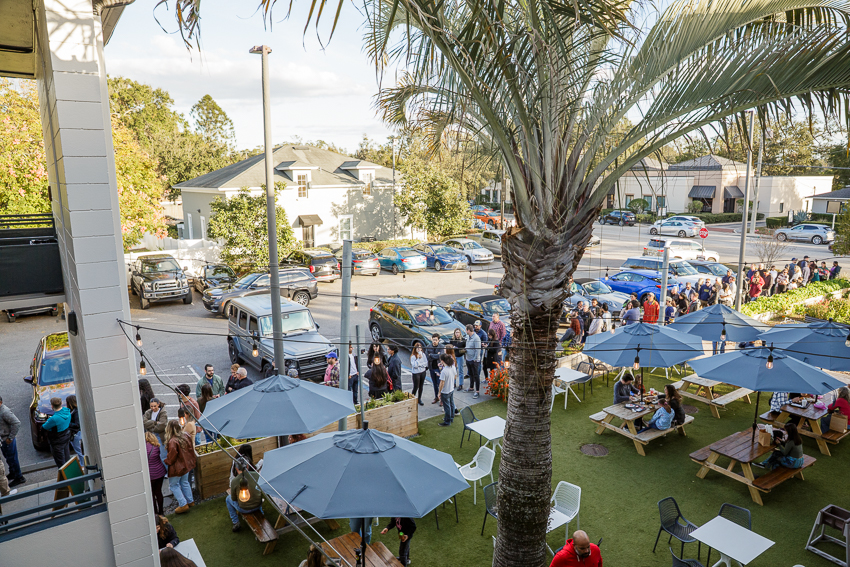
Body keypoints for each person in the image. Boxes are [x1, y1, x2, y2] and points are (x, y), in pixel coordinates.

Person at [164, 420, 195, 514]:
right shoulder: (186, 435)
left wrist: (166, 461)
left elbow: (172, 457)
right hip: (186, 465)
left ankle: (183, 504)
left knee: (174, 486)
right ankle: (190, 501)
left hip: (177, 467)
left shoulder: (172, 441)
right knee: (185, 482)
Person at [227, 457, 263, 532]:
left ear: (236, 469)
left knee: (228, 499)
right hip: (258, 505)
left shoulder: (234, 481)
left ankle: (235, 522)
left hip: (244, 509)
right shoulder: (256, 475)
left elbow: (233, 499)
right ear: (247, 466)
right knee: (256, 494)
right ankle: (261, 513)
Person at [0, 395, 24, 488]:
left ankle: (19, 477)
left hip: (7, 439)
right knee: (8, 458)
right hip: (4, 439)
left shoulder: (4, 411)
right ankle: (13, 473)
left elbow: (17, 423)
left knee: (13, 459)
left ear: (0, 402)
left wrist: (10, 438)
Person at [42, 397, 72, 468]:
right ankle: (70, 476)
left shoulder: (54, 419)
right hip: (66, 437)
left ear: (52, 406)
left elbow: (43, 427)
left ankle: (65, 478)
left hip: (57, 442)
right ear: (61, 403)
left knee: (61, 463)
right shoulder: (67, 411)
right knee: (67, 459)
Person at [146, 432, 167, 515]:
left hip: (151, 474)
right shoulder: (157, 446)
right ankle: (161, 512)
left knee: (152, 494)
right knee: (158, 492)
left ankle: (155, 513)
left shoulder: (144, 448)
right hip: (160, 472)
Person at [144, 398, 169, 468]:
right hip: (152, 435)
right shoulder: (148, 412)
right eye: (151, 406)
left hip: (160, 436)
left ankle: (168, 471)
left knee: (163, 456)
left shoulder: (163, 412)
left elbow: (162, 425)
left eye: (155, 406)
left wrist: (151, 427)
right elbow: (144, 423)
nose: (153, 408)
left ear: (158, 404)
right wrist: (155, 422)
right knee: (154, 454)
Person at [438, 354, 457, 426]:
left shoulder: (444, 371)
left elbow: (441, 383)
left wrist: (439, 392)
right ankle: (451, 418)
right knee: (451, 404)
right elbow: (455, 377)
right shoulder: (453, 367)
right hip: (451, 389)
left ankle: (447, 421)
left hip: (445, 391)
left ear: (442, 361)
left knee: (447, 407)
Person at [425, 334, 444, 404]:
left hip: (439, 369)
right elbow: (427, 357)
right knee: (434, 384)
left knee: (440, 384)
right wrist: (436, 355)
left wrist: (432, 355)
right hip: (431, 368)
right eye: (433, 340)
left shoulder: (441, 347)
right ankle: (436, 397)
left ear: (438, 340)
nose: (434, 341)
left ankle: (441, 398)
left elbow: (440, 356)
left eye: (436, 340)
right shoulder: (428, 347)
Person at [465, 324, 483, 399]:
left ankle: (477, 391)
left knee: (476, 375)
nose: (465, 331)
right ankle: (471, 387)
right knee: (471, 374)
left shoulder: (476, 338)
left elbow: (478, 350)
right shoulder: (467, 337)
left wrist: (475, 359)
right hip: (468, 359)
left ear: (469, 330)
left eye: (466, 330)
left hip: (474, 360)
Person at [66, 395, 83, 464]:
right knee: (79, 450)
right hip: (76, 433)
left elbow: (77, 425)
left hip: (76, 434)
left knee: (79, 451)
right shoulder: (75, 410)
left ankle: (83, 464)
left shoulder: (75, 412)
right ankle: (83, 464)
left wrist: (67, 424)